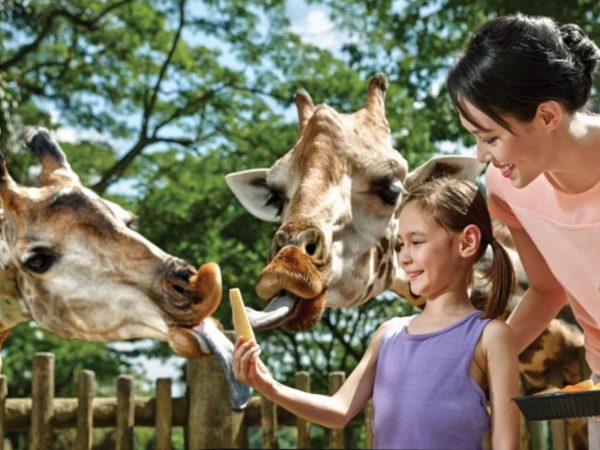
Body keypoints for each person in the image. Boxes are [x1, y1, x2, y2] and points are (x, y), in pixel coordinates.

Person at [233, 177, 520, 450]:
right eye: (400, 244)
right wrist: (268, 386)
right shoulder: (389, 334)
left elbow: (507, 444)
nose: (404, 257)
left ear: (467, 242)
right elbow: (339, 410)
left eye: (417, 242)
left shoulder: (490, 336)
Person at [446, 13, 600, 444]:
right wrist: (476, 363)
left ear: (548, 115)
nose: (481, 156)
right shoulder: (506, 188)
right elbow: (548, 289)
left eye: (491, 138)